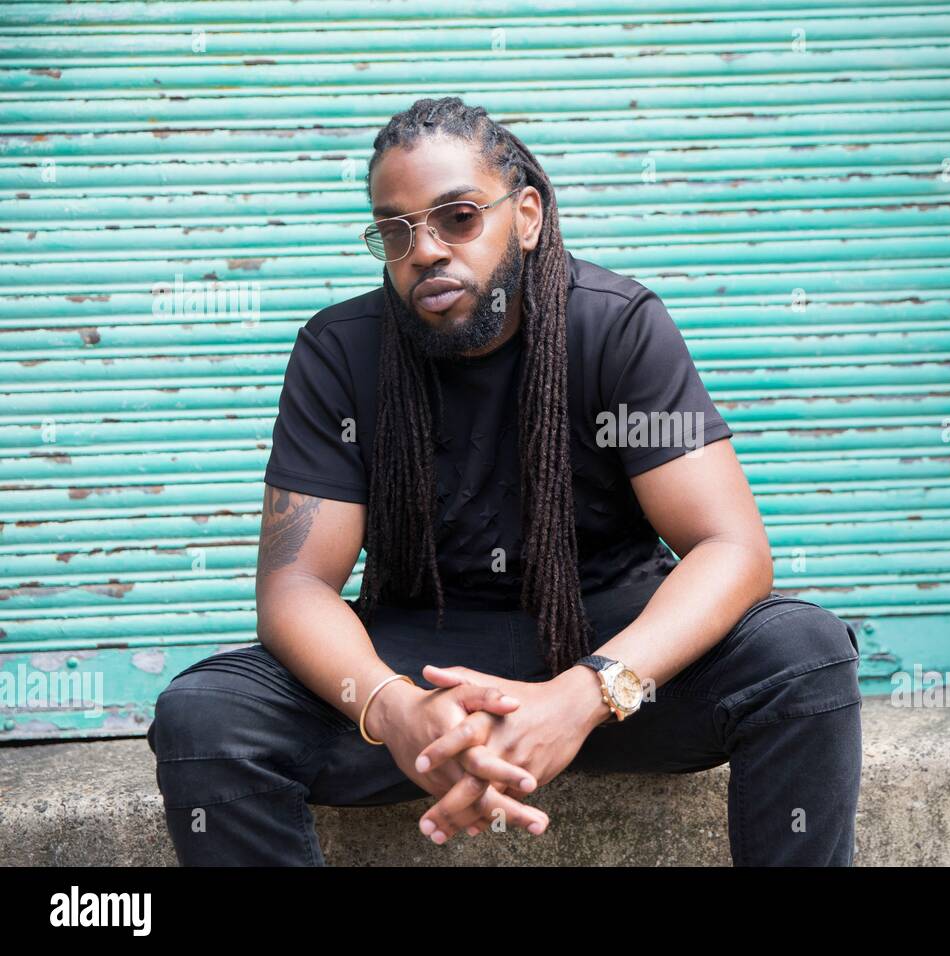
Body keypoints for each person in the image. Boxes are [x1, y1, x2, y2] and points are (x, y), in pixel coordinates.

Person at [147, 95, 863, 866]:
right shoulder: (339, 351)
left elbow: (732, 547)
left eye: (457, 216)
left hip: (616, 657)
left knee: (804, 654)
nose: (424, 250)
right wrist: (394, 711)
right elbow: (294, 588)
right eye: (396, 230)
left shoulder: (615, 325)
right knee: (206, 717)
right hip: (419, 668)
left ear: (526, 217)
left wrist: (583, 696)